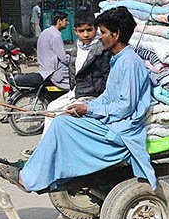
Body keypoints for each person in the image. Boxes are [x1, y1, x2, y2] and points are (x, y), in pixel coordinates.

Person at [2, 6, 156, 192]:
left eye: (103, 33)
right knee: (62, 120)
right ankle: (37, 172)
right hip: (112, 122)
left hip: (122, 131)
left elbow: (125, 107)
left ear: (116, 34)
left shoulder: (129, 62)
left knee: (62, 125)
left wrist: (89, 110)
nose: (99, 37)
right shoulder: (118, 60)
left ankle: (29, 177)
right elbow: (107, 97)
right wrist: (84, 106)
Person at [21, 10, 111, 158]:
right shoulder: (78, 46)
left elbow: (106, 76)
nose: (86, 34)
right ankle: (44, 147)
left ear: (96, 29)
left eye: (89, 30)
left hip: (92, 93)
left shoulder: (101, 49)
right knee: (51, 108)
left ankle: (51, 150)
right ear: (75, 32)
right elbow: (73, 70)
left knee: (62, 116)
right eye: (81, 31)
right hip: (77, 90)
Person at [37, 10, 70, 90]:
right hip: (53, 72)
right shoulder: (56, 36)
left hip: (43, 69)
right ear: (59, 21)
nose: (68, 23)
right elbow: (64, 59)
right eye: (66, 20)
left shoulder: (45, 32)